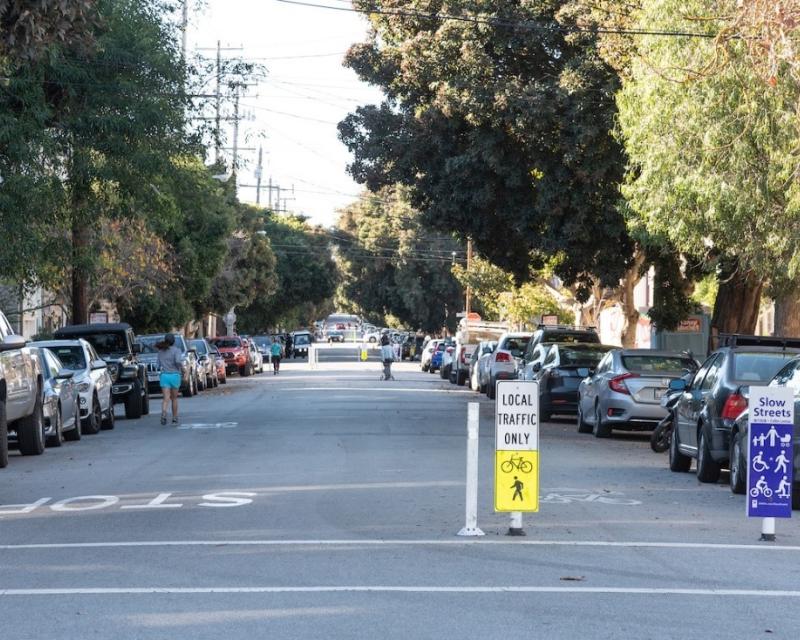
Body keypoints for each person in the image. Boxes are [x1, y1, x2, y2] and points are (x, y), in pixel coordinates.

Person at [156, 333, 183, 425]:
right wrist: (181, 367)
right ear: (174, 341)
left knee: (165, 398)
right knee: (174, 398)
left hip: (164, 376)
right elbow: (178, 361)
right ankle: (174, 417)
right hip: (175, 376)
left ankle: (163, 414)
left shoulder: (160, 352)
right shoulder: (177, 350)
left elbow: (158, 365)